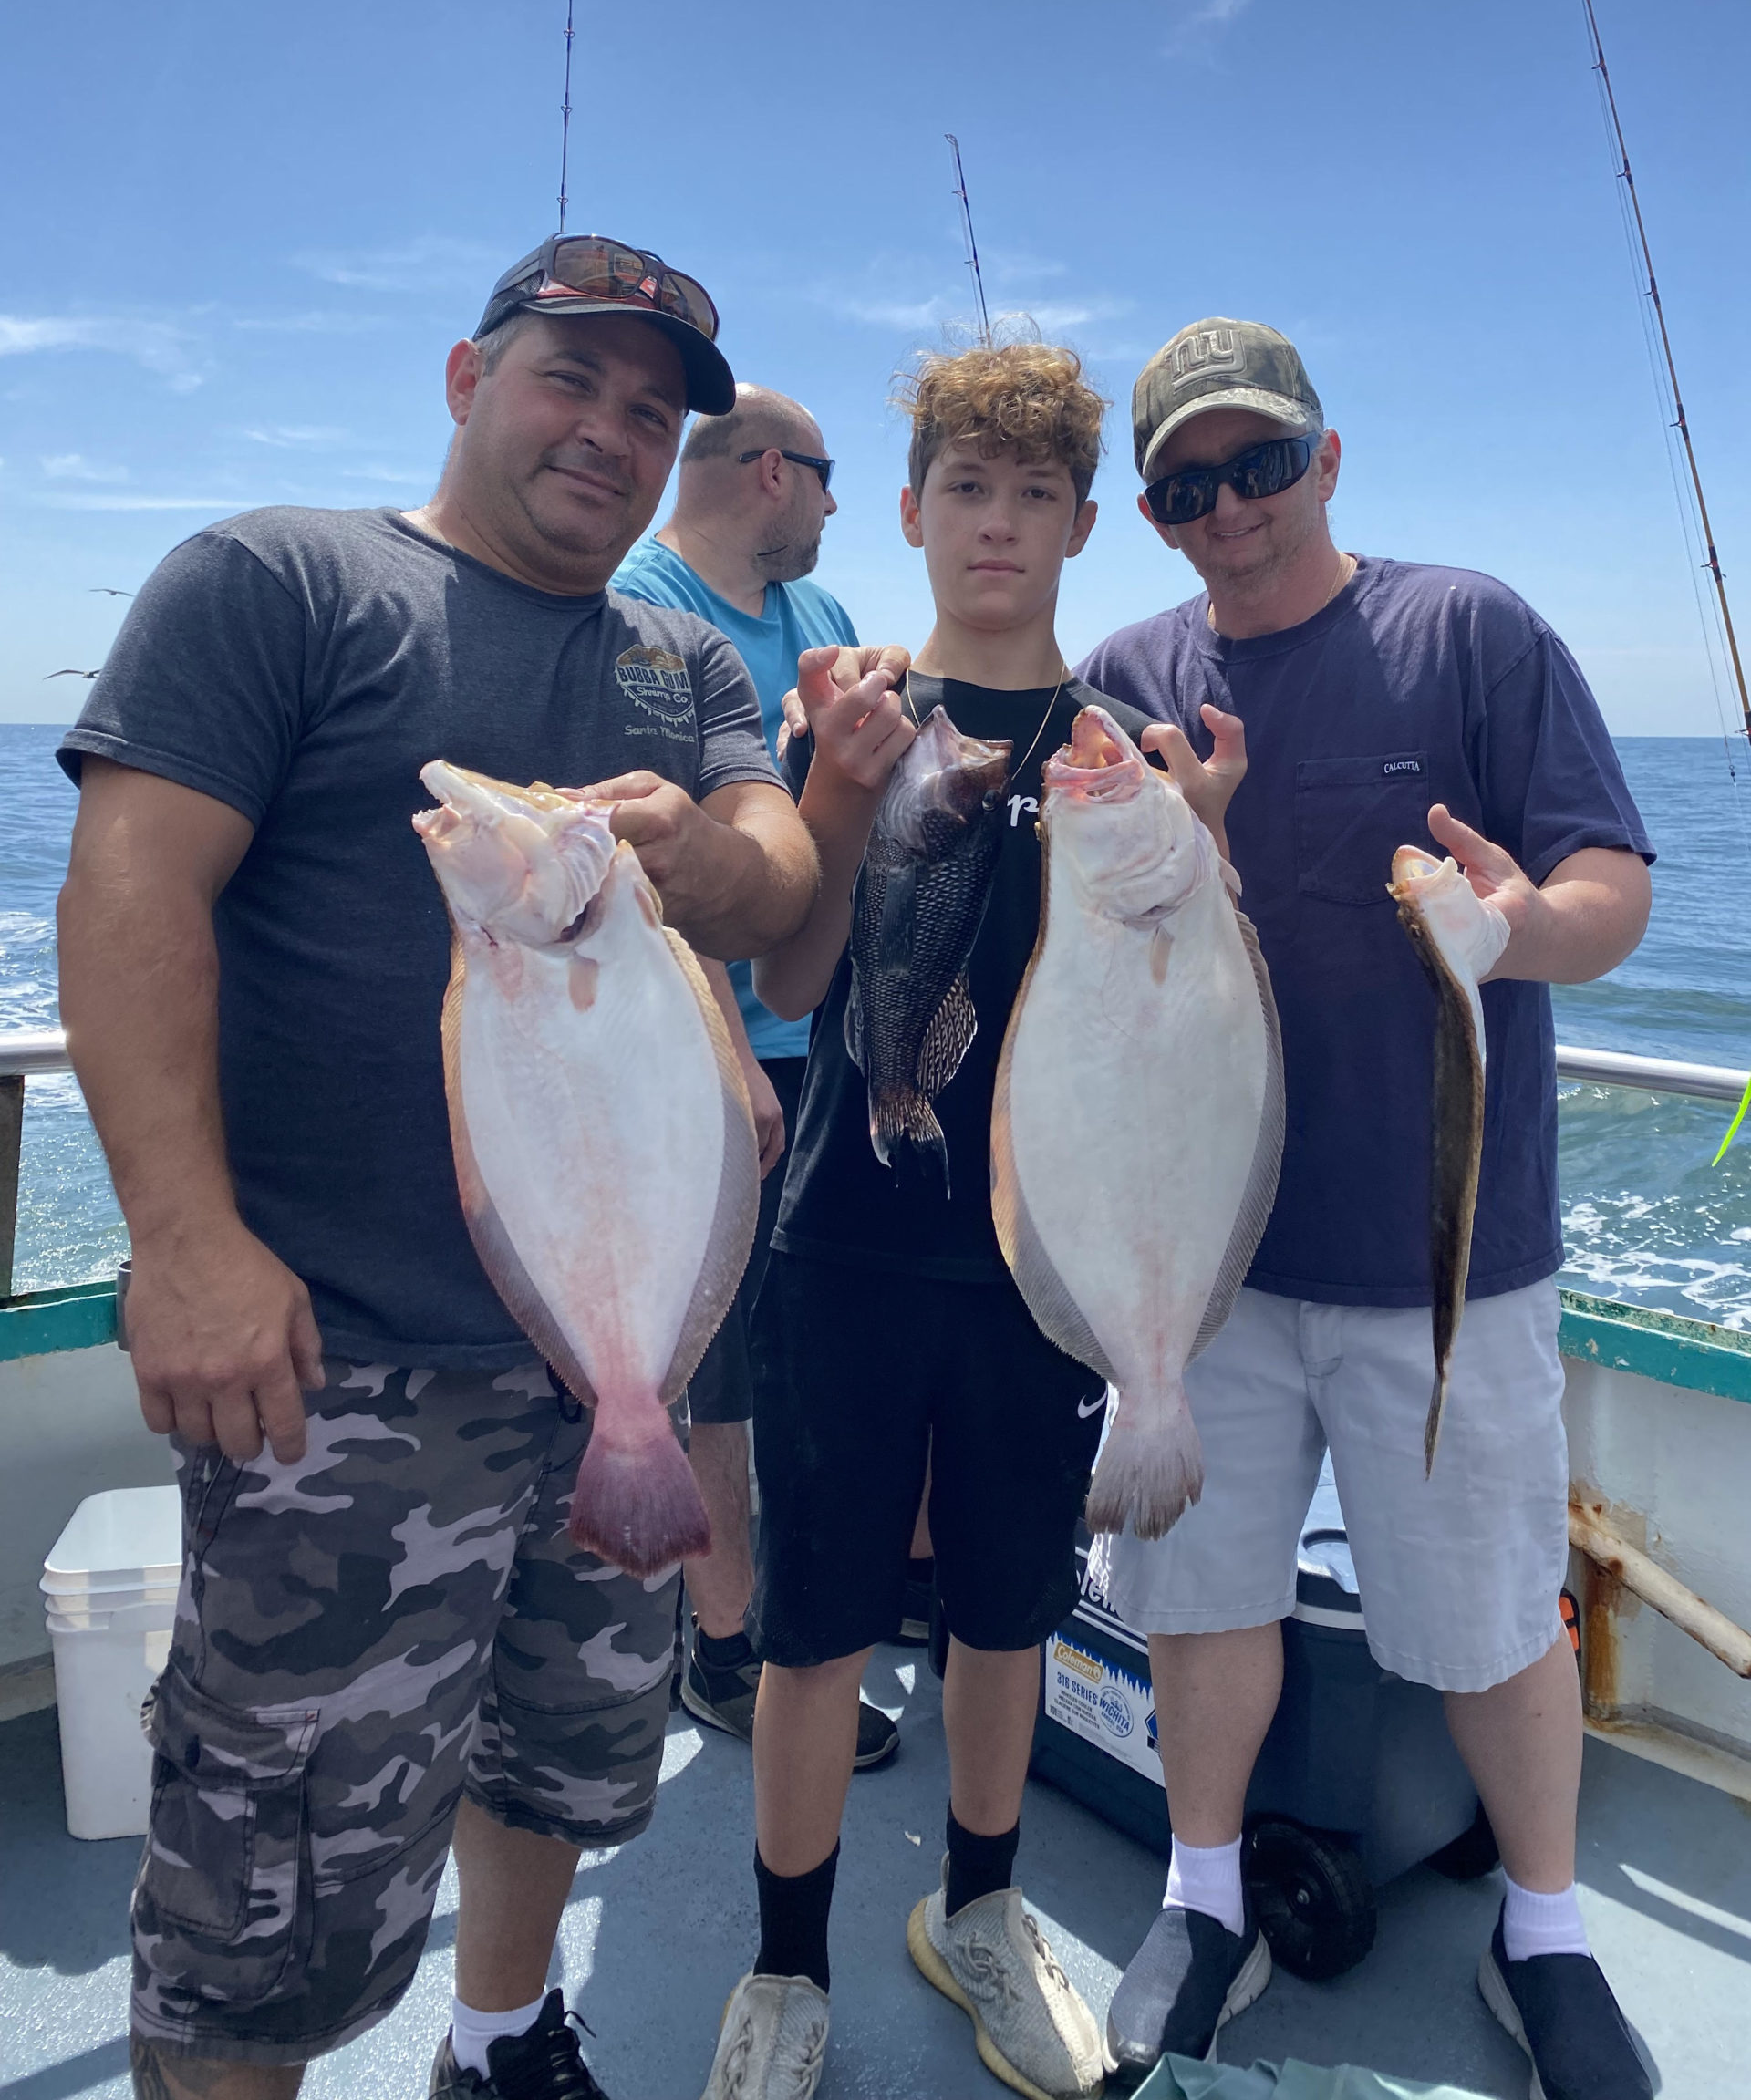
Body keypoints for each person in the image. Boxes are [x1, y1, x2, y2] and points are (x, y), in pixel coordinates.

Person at [56, 233, 819, 2100]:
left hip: (609, 1349)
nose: (609, 432)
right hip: (339, 1356)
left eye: (652, 412)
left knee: (558, 1753)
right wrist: (185, 1242)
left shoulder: (678, 651)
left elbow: (780, 872)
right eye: (570, 379)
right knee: (273, 1876)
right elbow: (132, 889)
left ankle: (501, 2033)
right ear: (469, 381)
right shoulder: (282, 580)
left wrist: (700, 862)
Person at [1077, 319, 1655, 2100]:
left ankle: (1545, 1926)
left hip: (1445, 1253)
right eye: (1187, 485)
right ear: (1157, 510)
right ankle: (1202, 1889)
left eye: (1260, 465)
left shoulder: (1466, 628)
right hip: (1203, 1259)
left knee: (1492, 1609)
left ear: (1328, 459)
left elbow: (1609, 883)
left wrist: (1518, 932)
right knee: (1198, 1591)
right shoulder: (1127, 673)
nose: (1229, 507)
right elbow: (1098, 942)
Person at [696, 340, 1231, 2100]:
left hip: (1050, 1261)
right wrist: (837, 790)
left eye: (1035, 496)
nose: (998, 527)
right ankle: (785, 1971)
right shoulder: (839, 709)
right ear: (912, 511)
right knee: (814, 1616)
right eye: (966, 491)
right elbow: (790, 969)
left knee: (1011, 1604)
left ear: (1089, 524)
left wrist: (1200, 850)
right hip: (842, 1235)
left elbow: (1184, 1027)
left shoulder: (1122, 751)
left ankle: (982, 1914)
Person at [614, 388, 896, 1772]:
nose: (839, 512)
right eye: (831, 484)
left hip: (831, 1049)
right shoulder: (635, 613)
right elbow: (633, 891)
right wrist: (726, 1059)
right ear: (776, 473)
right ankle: (721, 1651)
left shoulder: (825, 621)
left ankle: (808, 1616)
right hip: (700, 1074)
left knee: (812, 1358)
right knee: (713, 1379)